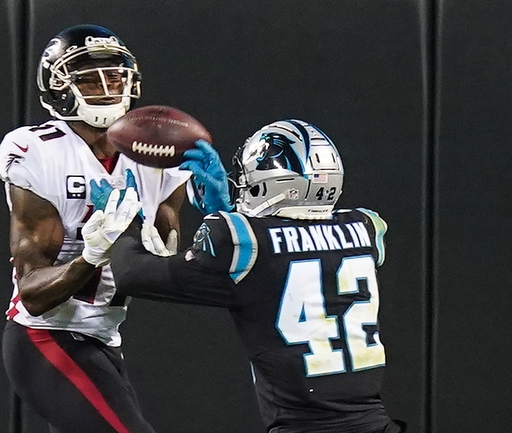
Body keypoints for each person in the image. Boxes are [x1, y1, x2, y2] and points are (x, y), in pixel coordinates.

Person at [104, 119, 407, 432]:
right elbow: (294, 254)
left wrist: (123, 222)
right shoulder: (366, 228)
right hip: (377, 425)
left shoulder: (241, 240)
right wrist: (231, 214)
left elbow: (130, 273)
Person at [0, 24, 191, 433]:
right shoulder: (38, 151)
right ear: (59, 88)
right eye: (87, 78)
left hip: (102, 336)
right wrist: (91, 255)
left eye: (115, 76)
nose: (106, 87)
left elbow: (163, 269)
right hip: (45, 337)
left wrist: (220, 217)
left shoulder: (156, 149)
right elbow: (32, 295)